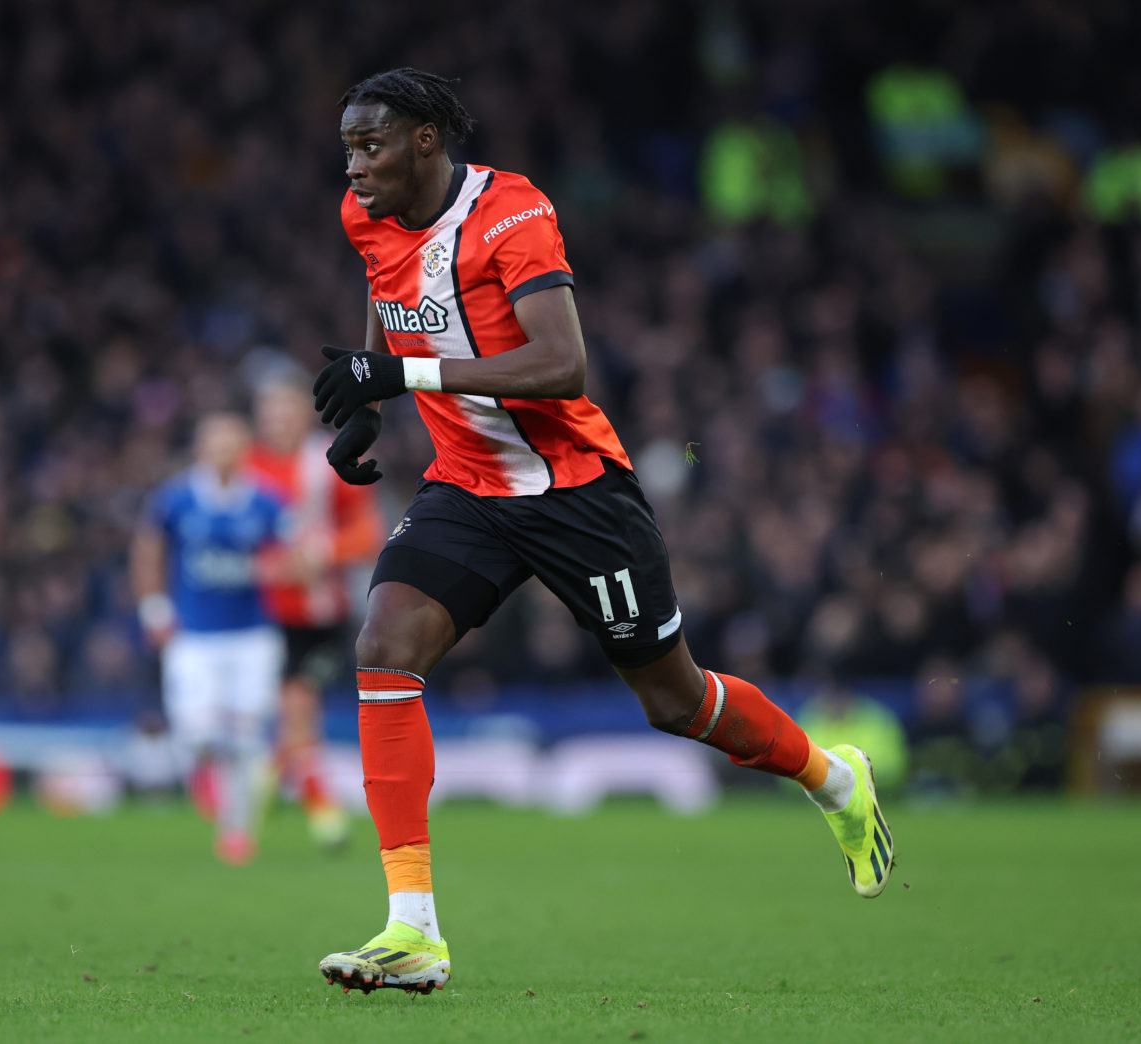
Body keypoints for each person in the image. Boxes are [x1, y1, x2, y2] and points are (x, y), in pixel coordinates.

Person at [310, 68, 895, 995]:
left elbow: (561, 363)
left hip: (578, 491)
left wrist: (402, 379)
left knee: (673, 701)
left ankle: (833, 779)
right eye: (347, 147)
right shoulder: (364, 218)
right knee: (383, 646)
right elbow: (390, 311)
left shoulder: (512, 214)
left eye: (371, 145)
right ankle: (411, 928)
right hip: (468, 485)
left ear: (426, 140)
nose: (355, 167)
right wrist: (368, 407)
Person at [131, 413, 288, 865]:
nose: (223, 454)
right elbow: (148, 550)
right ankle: (203, 772)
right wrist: (153, 606)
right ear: (201, 449)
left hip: (252, 636)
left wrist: (271, 569)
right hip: (194, 635)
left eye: (231, 445)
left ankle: (236, 833)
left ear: (244, 449)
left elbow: (298, 558)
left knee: (244, 738)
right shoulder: (177, 498)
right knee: (199, 734)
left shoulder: (265, 500)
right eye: (215, 445)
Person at [246, 374, 385, 849]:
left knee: (297, 709)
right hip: (265, 616)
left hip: (324, 619)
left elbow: (370, 533)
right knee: (296, 714)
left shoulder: (331, 460)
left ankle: (283, 797)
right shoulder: (247, 469)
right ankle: (315, 808)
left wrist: (322, 553)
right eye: (270, 414)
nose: (278, 422)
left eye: (286, 412)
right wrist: (265, 567)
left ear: (304, 415)